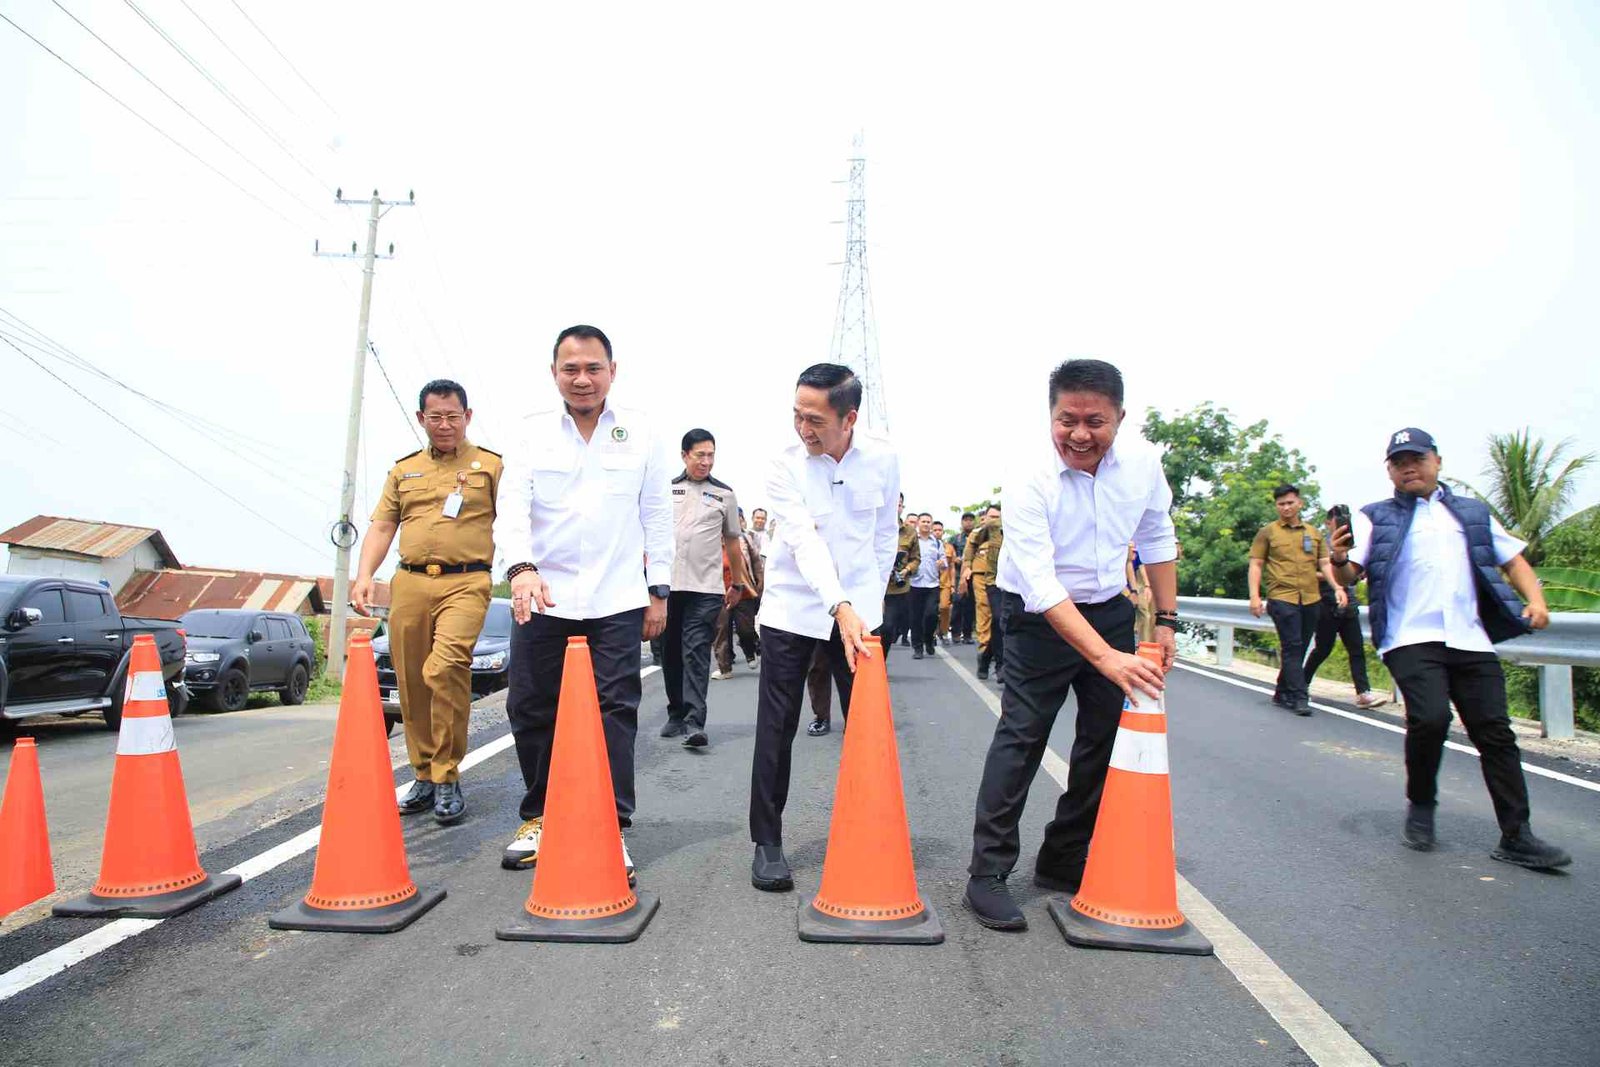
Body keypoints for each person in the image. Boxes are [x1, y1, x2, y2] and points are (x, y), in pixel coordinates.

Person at [964, 358, 1177, 931]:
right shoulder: (1029, 475)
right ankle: (987, 874)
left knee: (1106, 739)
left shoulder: (1145, 466)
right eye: (1067, 421)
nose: (1080, 435)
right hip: (1036, 614)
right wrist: (1106, 659)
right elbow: (1040, 582)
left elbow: (1158, 535)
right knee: (1023, 735)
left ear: (1120, 419)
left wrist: (1166, 619)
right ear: (1050, 416)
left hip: (1107, 607)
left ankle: (1062, 856)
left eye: (1095, 422)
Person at [1331, 428, 1569, 869]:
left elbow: (1512, 559)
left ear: (1436, 461)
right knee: (1430, 717)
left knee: (1495, 731)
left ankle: (1517, 835)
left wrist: (1536, 600)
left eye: (1416, 458)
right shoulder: (1373, 517)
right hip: (1409, 636)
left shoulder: (1472, 513)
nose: (1409, 467)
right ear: (1389, 471)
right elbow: (1350, 577)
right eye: (1398, 461)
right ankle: (1421, 804)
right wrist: (1339, 559)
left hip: (1469, 636)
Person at [494, 325, 673, 881]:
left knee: (615, 709)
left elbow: (656, 516)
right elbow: (512, 510)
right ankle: (541, 816)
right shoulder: (529, 435)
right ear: (554, 374)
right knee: (530, 706)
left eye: (593, 368)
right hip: (542, 598)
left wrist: (658, 591)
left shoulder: (640, 433)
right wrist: (520, 569)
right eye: (570, 369)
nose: (582, 379)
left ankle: (611, 825)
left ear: (612, 372)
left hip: (616, 597)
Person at [748, 363, 899, 892]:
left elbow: (884, 538)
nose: (803, 428)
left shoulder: (882, 459)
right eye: (797, 415)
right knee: (777, 726)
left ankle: (869, 835)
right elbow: (803, 541)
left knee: (868, 727)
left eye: (814, 419)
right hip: (794, 610)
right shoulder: (783, 465)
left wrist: (867, 610)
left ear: (849, 417)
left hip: (859, 618)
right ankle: (767, 843)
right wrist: (839, 605)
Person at [352, 379, 501, 826]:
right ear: (421, 419)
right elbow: (382, 526)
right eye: (435, 417)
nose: (444, 425)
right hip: (411, 583)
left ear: (467, 416)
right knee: (412, 680)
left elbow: (519, 521)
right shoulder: (403, 470)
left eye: (453, 416)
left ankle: (448, 773)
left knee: (446, 667)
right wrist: (364, 576)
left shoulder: (491, 466)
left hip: (467, 581)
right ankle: (423, 774)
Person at [660, 429, 751, 747]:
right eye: (700, 455)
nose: (706, 461)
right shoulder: (665, 490)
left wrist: (737, 583)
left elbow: (733, 542)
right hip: (667, 588)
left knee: (696, 651)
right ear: (684, 455)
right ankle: (675, 713)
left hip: (706, 588)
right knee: (669, 652)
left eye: (711, 455)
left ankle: (694, 721)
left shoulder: (724, 495)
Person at [1249, 484, 1342, 715]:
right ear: (1276, 506)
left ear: (1299, 503)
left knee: (1299, 647)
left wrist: (1337, 587)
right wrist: (1254, 596)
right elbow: (1256, 564)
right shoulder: (1268, 533)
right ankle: (1300, 696)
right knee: (1292, 646)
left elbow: (1324, 564)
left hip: (1311, 597)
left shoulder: (1313, 533)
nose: (1286, 507)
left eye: (1290, 502)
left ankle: (1282, 691)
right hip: (1282, 597)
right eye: (1281, 504)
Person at [1304, 507, 1388, 710]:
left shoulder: (1352, 542)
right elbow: (1306, 571)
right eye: (1337, 520)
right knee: (1323, 648)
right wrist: (1333, 574)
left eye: (1345, 519)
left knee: (1356, 647)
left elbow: (1355, 570)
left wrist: (1357, 573)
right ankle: (1301, 684)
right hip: (1326, 602)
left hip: (1349, 603)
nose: (1341, 524)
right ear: (1327, 522)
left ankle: (1363, 693)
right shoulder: (1316, 542)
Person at [714, 510, 763, 677]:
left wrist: (759, 582)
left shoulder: (744, 538)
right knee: (721, 631)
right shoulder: (709, 541)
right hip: (718, 593)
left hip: (743, 592)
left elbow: (756, 561)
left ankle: (750, 651)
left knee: (745, 630)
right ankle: (724, 669)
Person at [962, 505, 1005, 679]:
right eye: (991, 516)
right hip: (986, 579)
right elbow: (969, 553)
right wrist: (966, 569)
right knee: (991, 616)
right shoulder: (980, 533)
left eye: (997, 516)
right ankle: (997, 661)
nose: (994, 520)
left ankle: (987, 656)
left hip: (1010, 580)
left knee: (1004, 621)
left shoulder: (1013, 530)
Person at [883, 494, 919, 656]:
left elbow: (916, 558)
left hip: (895, 588)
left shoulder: (909, 531)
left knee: (888, 626)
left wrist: (906, 570)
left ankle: (880, 662)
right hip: (872, 585)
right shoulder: (873, 524)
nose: (895, 507)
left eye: (899, 504)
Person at [909, 513, 944, 659]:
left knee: (931, 614)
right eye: (923, 521)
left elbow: (943, 560)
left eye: (929, 521)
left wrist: (942, 563)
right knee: (915, 617)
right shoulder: (912, 540)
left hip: (932, 584)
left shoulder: (936, 542)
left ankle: (929, 640)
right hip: (914, 583)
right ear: (918, 523)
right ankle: (917, 648)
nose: (926, 524)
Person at [950, 512, 977, 643]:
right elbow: (948, 554)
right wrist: (956, 559)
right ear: (962, 522)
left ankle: (967, 634)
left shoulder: (978, 537)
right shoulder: (955, 539)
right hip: (958, 574)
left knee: (970, 606)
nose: (968, 522)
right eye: (966, 520)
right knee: (957, 603)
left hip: (973, 574)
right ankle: (955, 632)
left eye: (971, 520)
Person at [1126, 543, 1154, 643]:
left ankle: (1144, 643)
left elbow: (1141, 568)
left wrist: (1147, 586)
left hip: (1134, 586)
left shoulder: (1138, 553)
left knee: (1145, 615)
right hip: (1119, 587)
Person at [934, 519, 956, 644]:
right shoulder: (925, 546)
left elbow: (952, 567)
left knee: (944, 607)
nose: (937, 532)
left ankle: (944, 632)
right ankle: (931, 634)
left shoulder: (949, 547)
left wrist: (953, 584)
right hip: (930, 582)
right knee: (931, 610)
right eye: (935, 530)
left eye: (939, 530)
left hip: (945, 582)